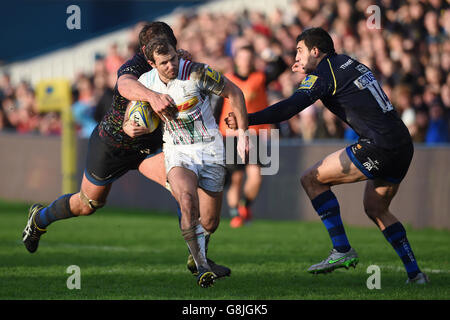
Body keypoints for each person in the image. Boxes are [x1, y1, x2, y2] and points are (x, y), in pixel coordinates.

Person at [21, 22, 231, 283]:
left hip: (151, 148)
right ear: (145, 51)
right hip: (113, 144)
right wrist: (152, 97)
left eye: (169, 46)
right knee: (88, 204)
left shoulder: (176, 63)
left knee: (184, 189)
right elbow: (124, 84)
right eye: (156, 48)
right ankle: (39, 219)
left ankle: (198, 258)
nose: (164, 52)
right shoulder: (135, 65)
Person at [225, 27, 428, 284]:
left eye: (299, 51)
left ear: (315, 51)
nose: (295, 57)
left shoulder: (323, 74)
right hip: (402, 144)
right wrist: (309, 72)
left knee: (311, 180)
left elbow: (288, 108)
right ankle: (415, 274)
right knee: (376, 209)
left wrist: (247, 119)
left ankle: (342, 249)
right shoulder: (348, 62)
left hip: (379, 146)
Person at [138, 36, 249, 287]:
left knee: (210, 222)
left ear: (179, 55)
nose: (171, 66)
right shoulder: (146, 83)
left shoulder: (198, 73)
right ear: (152, 64)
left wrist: (243, 134)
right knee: (187, 201)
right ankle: (202, 268)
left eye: (173, 59)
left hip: (210, 149)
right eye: (164, 62)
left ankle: (197, 252)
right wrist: (132, 126)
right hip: (177, 151)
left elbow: (235, 92)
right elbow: (129, 111)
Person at [216, 44, 285, 228]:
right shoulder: (227, 80)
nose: (245, 62)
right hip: (231, 134)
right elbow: (218, 108)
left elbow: (281, 67)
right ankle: (235, 215)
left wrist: (272, 54)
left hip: (254, 132)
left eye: (248, 58)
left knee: (256, 176)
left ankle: (244, 205)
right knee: (236, 177)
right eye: (242, 58)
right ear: (236, 60)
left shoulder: (260, 77)